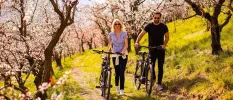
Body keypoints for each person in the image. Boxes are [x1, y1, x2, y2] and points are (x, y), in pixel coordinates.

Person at [135, 11, 169, 90]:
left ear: (160, 18)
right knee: (152, 66)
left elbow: (167, 37)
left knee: (160, 67)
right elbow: (141, 34)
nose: (156, 19)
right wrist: (137, 42)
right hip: (152, 49)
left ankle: (159, 83)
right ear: (152, 17)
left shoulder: (164, 26)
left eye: (158, 18)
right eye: (155, 17)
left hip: (160, 49)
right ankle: (153, 78)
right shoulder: (149, 26)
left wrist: (164, 45)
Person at [107, 19, 128, 95]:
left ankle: (122, 89)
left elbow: (126, 45)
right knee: (117, 72)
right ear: (113, 25)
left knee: (122, 72)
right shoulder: (111, 34)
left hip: (123, 55)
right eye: (115, 24)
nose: (117, 25)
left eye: (118, 24)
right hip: (115, 55)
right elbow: (109, 45)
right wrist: (106, 54)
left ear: (121, 25)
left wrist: (123, 51)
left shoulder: (124, 33)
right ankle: (117, 87)